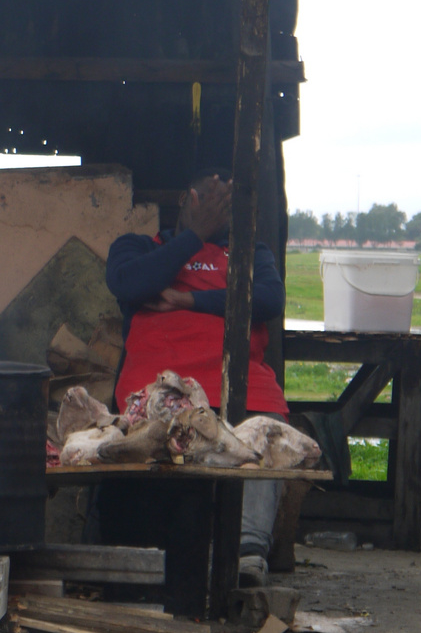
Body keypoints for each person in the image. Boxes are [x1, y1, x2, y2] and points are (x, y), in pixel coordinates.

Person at [104, 167, 289, 586]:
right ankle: (143, 563)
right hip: (160, 388)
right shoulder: (139, 248)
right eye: (213, 198)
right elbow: (131, 284)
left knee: (266, 434)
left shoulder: (250, 254)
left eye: (230, 204)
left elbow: (267, 298)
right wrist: (193, 236)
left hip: (238, 388)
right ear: (188, 199)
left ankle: (246, 555)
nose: (223, 210)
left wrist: (188, 298)